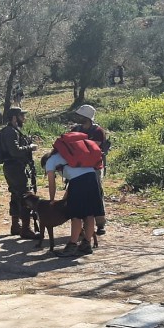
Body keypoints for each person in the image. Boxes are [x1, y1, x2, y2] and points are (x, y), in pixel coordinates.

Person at [43, 146, 104, 258]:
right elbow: (73, 179)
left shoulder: (50, 161)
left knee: (76, 216)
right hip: (92, 178)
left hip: (79, 181)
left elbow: (52, 184)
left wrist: (52, 200)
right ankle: (86, 244)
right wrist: (65, 198)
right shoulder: (67, 155)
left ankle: (72, 246)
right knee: (89, 214)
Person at [0, 107, 39, 239]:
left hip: (12, 167)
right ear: (15, 118)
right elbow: (15, 151)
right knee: (25, 196)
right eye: (22, 116)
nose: (24, 118)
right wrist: (30, 147)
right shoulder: (11, 132)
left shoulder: (11, 131)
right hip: (15, 168)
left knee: (15, 195)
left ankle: (16, 226)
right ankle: (26, 229)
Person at [70, 104, 109, 235]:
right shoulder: (75, 129)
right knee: (78, 195)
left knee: (97, 193)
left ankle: (100, 223)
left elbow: (92, 149)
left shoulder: (98, 131)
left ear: (86, 117)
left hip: (94, 166)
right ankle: (80, 226)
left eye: (80, 116)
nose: (78, 117)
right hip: (78, 166)